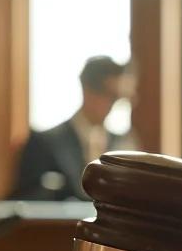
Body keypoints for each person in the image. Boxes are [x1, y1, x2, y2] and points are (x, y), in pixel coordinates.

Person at [10, 55, 138, 200]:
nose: (111, 104)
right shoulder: (45, 143)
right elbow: (25, 200)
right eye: (107, 94)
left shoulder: (121, 144)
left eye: (116, 98)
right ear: (86, 89)